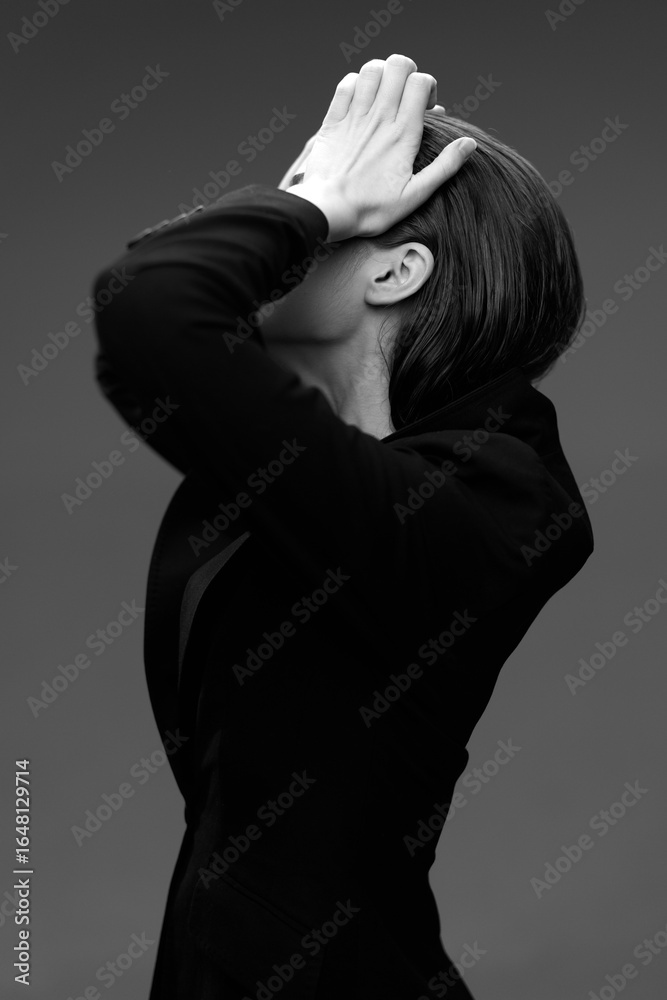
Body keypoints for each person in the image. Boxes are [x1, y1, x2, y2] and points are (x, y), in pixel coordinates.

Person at [92, 54, 594, 999]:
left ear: (397, 270)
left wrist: (312, 203)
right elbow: (162, 294)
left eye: (324, 201)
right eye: (300, 195)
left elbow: (150, 310)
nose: (290, 220)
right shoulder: (299, 478)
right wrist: (318, 203)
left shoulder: (480, 503)